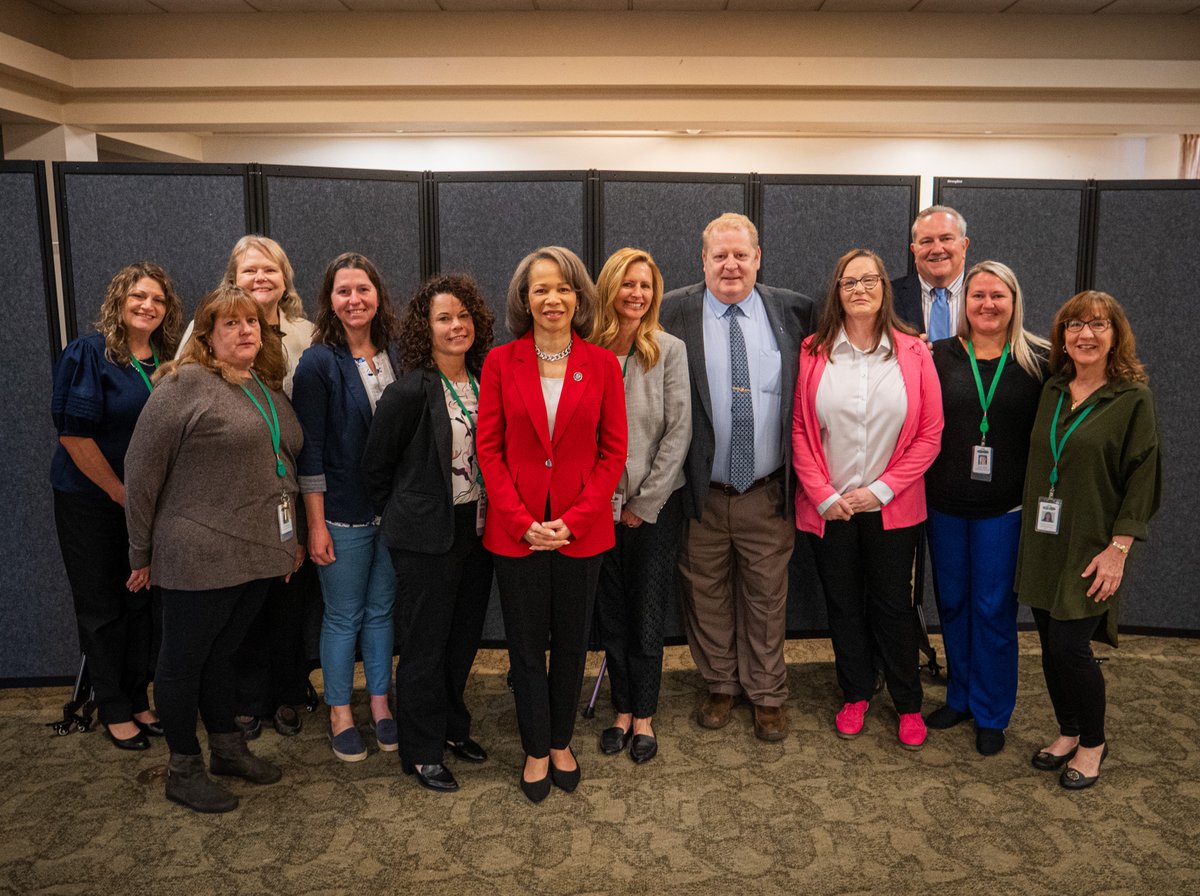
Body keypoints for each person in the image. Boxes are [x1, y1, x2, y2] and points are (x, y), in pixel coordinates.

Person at [125, 283, 304, 814]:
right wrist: (140, 553)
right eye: (231, 323)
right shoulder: (183, 385)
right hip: (197, 554)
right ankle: (183, 768)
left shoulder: (265, 389)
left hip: (256, 553)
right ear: (205, 336)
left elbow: (285, 466)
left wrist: (288, 543)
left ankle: (227, 748)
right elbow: (140, 474)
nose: (245, 330)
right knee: (182, 664)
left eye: (252, 322)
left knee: (221, 656)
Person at [475, 246, 627, 803]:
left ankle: (561, 740)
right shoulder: (499, 362)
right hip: (515, 536)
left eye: (563, 288)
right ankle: (535, 746)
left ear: (579, 297)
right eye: (540, 288)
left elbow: (614, 454)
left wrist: (573, 520)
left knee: (571, 643)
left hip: (580, 533)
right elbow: (487, 450)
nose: (552, 298)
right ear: (525, 298)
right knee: (523, 646)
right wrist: (521, 521)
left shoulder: (604, 364)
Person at [659, 212, 815, 742]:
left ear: (757, 259)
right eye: (719, 255)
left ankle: (768, 693)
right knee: (705, 595)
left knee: (768, 598)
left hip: (767, 492)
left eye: (740, 255)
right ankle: (721, 684)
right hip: (700, 491)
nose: (730, 265)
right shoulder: (670, 311)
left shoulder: (793, 311)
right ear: (703, 260)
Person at [791, 249, 943, 750]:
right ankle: (855, 692)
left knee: (893, 606)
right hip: (830, 509)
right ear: (836, 291)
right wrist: (823, 494)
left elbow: (930, 434)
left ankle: (907, 702)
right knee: (843, 606)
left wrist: (880, 491)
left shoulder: (914, 352)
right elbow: (800, 429)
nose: (859, 289)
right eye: (848, 281)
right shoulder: (813, 351)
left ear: (884, 287)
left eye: (869, 280)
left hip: (891, 508)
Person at [1016, 290, 1160, 790]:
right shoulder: (1054, 388)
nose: (1085, 334)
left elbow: (1144, 477)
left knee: (1070, 646)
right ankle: (1068, 730)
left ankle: (1094, 742)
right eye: (1075, 325)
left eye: (1098, 325)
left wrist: (1118, 550)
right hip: (1043, 538)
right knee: (1050, 647)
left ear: (1115, 335)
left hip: (1093, 542)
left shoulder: (1131, 398)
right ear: (1062, 336)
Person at [362, 273, 496, 793]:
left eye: (463, 316)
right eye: (444, 318)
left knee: (463, 641)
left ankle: (452, 729)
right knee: (423, 646)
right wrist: (406, 513)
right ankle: (420, 751)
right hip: (425, 537)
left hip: (480, 529)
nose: (456, 326)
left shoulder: (486, 378)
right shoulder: (409, 390)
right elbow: (377, 469)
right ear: (426, 327)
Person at [181, 235, 316, 741]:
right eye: (249, 271)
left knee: (289, 597)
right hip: (232, 491)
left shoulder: (307, 332)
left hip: (292, 483)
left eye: (271, 270)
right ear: (231, 279)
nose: (261, 279)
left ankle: (286, 691)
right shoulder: (205, 330)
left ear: (286, 278)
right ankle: (246, 698)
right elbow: (188, 395)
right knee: (244, 602)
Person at [51, 262, 183, 752]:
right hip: (93, 501)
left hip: (146, 505)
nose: (148, 306)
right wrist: (119, 492)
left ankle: (136, 696)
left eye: (158, 299)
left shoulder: (165, 361)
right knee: (103, 603)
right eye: (138, 297)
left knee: (142, 603)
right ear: (119, 302)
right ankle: (111, 705)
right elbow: (73, 434)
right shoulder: (91, 354)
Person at [923, 260, 1050, 756]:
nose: (988, 304)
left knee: (993, 609)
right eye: (978, 296)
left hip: (1005, 509)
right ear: (964, 303)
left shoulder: (1039, 359)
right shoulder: (939, 356)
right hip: (945, 504)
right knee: (952, 604)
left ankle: (992, 711)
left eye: (998, 295)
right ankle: (959, 697)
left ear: (1014, 301)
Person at [292, 253, 401, 763]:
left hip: (394, 515)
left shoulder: (398, 353)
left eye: (363, 288)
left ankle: (379, 704)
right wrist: (315, 525)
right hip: (343, 513)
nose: (354, 299)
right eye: (343, 291)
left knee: (381, 613)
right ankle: (340, 711)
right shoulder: (318, 362)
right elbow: (308, 452)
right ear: (329, 301)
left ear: (378, 294)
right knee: (343, 617)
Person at [588, 248, 691, 764]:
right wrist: (604, 503)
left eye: (646, 285)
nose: (637, 294)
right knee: (611, 613)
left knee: (648, 613)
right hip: (596, 511)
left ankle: (645, 714)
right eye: (628, 284)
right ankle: (620, 710)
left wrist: (643, 503)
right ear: (610, 288)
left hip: (655, 509)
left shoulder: (669, 350)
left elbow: (678, 433)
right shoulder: (585, 350)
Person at [892, 205, 970, 339]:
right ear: (914, 250)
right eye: (927, 241)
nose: (937, 249)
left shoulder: (989, 297)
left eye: (946, 239)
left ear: (964, 245)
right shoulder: (888, 297)